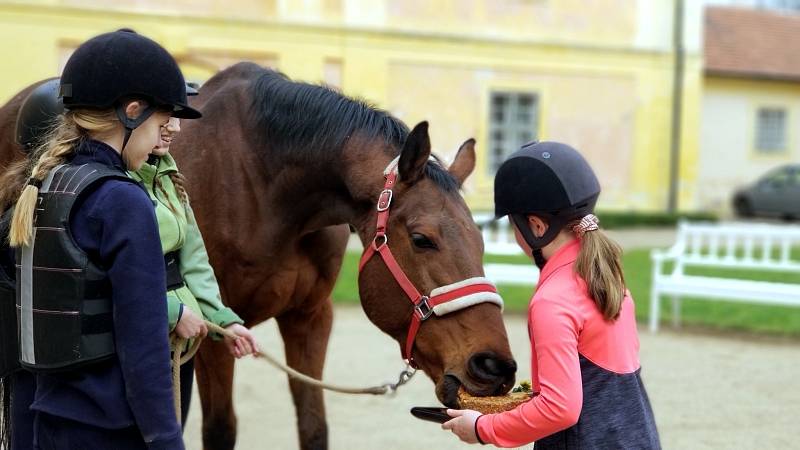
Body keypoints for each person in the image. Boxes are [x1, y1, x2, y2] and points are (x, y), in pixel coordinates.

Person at [5, 29, 202, 449]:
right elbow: (143, 341)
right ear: (133, 111)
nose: (164, 136)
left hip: (45, 421)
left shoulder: (47, 184)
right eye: (162, 120)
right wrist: (167, 439)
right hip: (108, 431)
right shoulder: (122, 200)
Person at [442, 141, 660, 449]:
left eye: (513, 223)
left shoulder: (552, 301)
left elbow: (561, 408)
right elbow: (598, 383)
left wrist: (482, 428)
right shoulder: (606, 276)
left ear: (536, 225)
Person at [131, 112, 260, 425]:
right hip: (142, 336)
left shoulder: (168, 178)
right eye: (167, 116)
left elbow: (194, 261)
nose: (175, 127)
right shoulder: (116, 186)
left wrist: (221, 319)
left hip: (178, 341)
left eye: (177, 117)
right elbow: (111, 273)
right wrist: (171, 312)